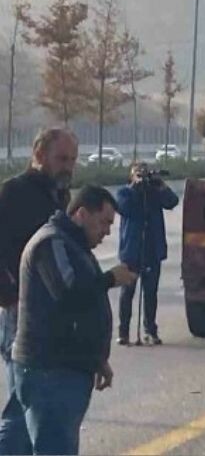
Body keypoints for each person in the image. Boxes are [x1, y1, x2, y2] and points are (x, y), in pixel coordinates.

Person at [13, 185, 137, 455]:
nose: (107, 231)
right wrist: (110, 278)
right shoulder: (52, 242)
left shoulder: (74, 245)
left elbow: (79, 314)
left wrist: (96, 359)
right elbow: (68, 295)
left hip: (66, 368)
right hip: (49, 370)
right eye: (104, 222)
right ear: (81, 214)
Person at [0, 128, 78, 454]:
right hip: (21, 316)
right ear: (39, 155)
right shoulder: (13, 193)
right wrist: (10, 296)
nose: (68, 166)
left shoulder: (58, 195)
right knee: (24, 404)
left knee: (35, 405)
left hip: (51, 317)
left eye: (73, 160)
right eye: (62, 159)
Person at [116, 162, 179, 345]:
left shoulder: (154, 193)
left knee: (150, 293)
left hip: (152, 250)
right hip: (131, 251)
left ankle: (150, 330)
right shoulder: (125, 193)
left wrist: (160, 185)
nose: (142, 177)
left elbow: (172, 201)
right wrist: (135, 187)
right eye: (138, 173)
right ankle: (124, 332)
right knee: (127, 292)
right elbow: (123, 207)